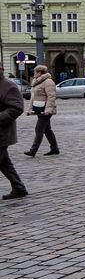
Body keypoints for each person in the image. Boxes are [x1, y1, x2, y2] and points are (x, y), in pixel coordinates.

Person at [0, 67, 27, 199]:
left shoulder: (8, 86)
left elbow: (16, 108)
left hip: (2, 133)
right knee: (4, 163)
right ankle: (18, 187)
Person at [24, 65, 59, 157]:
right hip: (39, 109)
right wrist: (29, 109)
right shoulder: (37, 82)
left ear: (39, 73)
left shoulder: (48, 82)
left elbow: (51, 96)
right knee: (47, 130)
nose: (34, 74)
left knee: (39, 129)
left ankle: (33, 151)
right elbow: (33, 97)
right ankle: (54, 148)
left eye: (35, 72)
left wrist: (48, 109)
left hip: (45, 110)